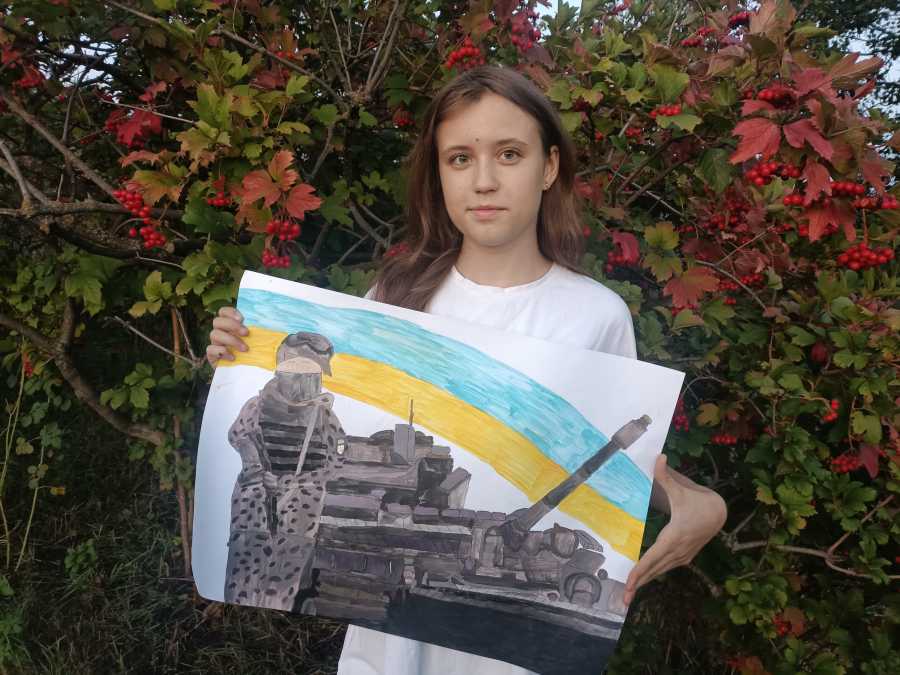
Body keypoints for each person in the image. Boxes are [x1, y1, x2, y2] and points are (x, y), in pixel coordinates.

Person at [207, 65, 727, 675]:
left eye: (509, 154)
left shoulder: (597, 315)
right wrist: (242, 357)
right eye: (459, 158)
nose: (484, 181)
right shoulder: (393, 298)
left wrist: (700, 502)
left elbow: (622, 469)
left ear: (548, 167)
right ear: (440, 175)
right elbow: (308, 417)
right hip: (388, 655)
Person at [224, 332, 347, 612]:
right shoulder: (257, 406)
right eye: (302, 373)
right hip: (253, 511)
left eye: (313, 375)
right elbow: (237, 436)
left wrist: (294, 482)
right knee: (243, 579)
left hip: (299, 513)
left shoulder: (324, 416)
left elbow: (337, 461)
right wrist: (256, 467)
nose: (308, 383)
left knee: (282, 584)